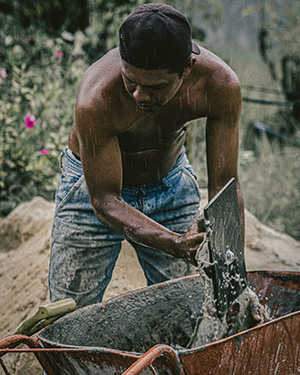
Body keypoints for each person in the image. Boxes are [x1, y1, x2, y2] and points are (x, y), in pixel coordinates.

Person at [49, 3, 244, 309]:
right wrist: (174, 243)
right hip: (92, 190)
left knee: (188, 311)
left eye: (157, 86)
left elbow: (226, 189)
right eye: (131, 82)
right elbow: (105, 201)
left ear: (188, 68)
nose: (139, 95)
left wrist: (234, 284)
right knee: (68, 313)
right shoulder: (97, 99)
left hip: (170, 185)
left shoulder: (218, 85)